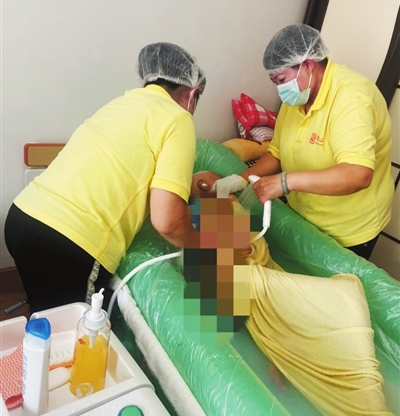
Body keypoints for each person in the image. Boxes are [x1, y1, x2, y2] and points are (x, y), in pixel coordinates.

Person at [4, 42, 205, 313]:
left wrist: (188, 185)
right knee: (79, 330)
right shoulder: (178, 118)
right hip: (68, 241)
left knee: (47, 320)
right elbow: (168, 221)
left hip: (23, 217)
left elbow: (125, 169)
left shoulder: (122, 104)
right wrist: (206, 247)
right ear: (192, 93)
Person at [217, 24, 394, 259]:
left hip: (348, 229)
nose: (281, 89)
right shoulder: (297, 99)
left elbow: (358, 174)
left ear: (308, 65)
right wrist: (240, 180)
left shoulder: (351, 99)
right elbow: (276, 153)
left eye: (282, 79)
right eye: (275, 82)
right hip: (303, 214)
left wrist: (284, 182)